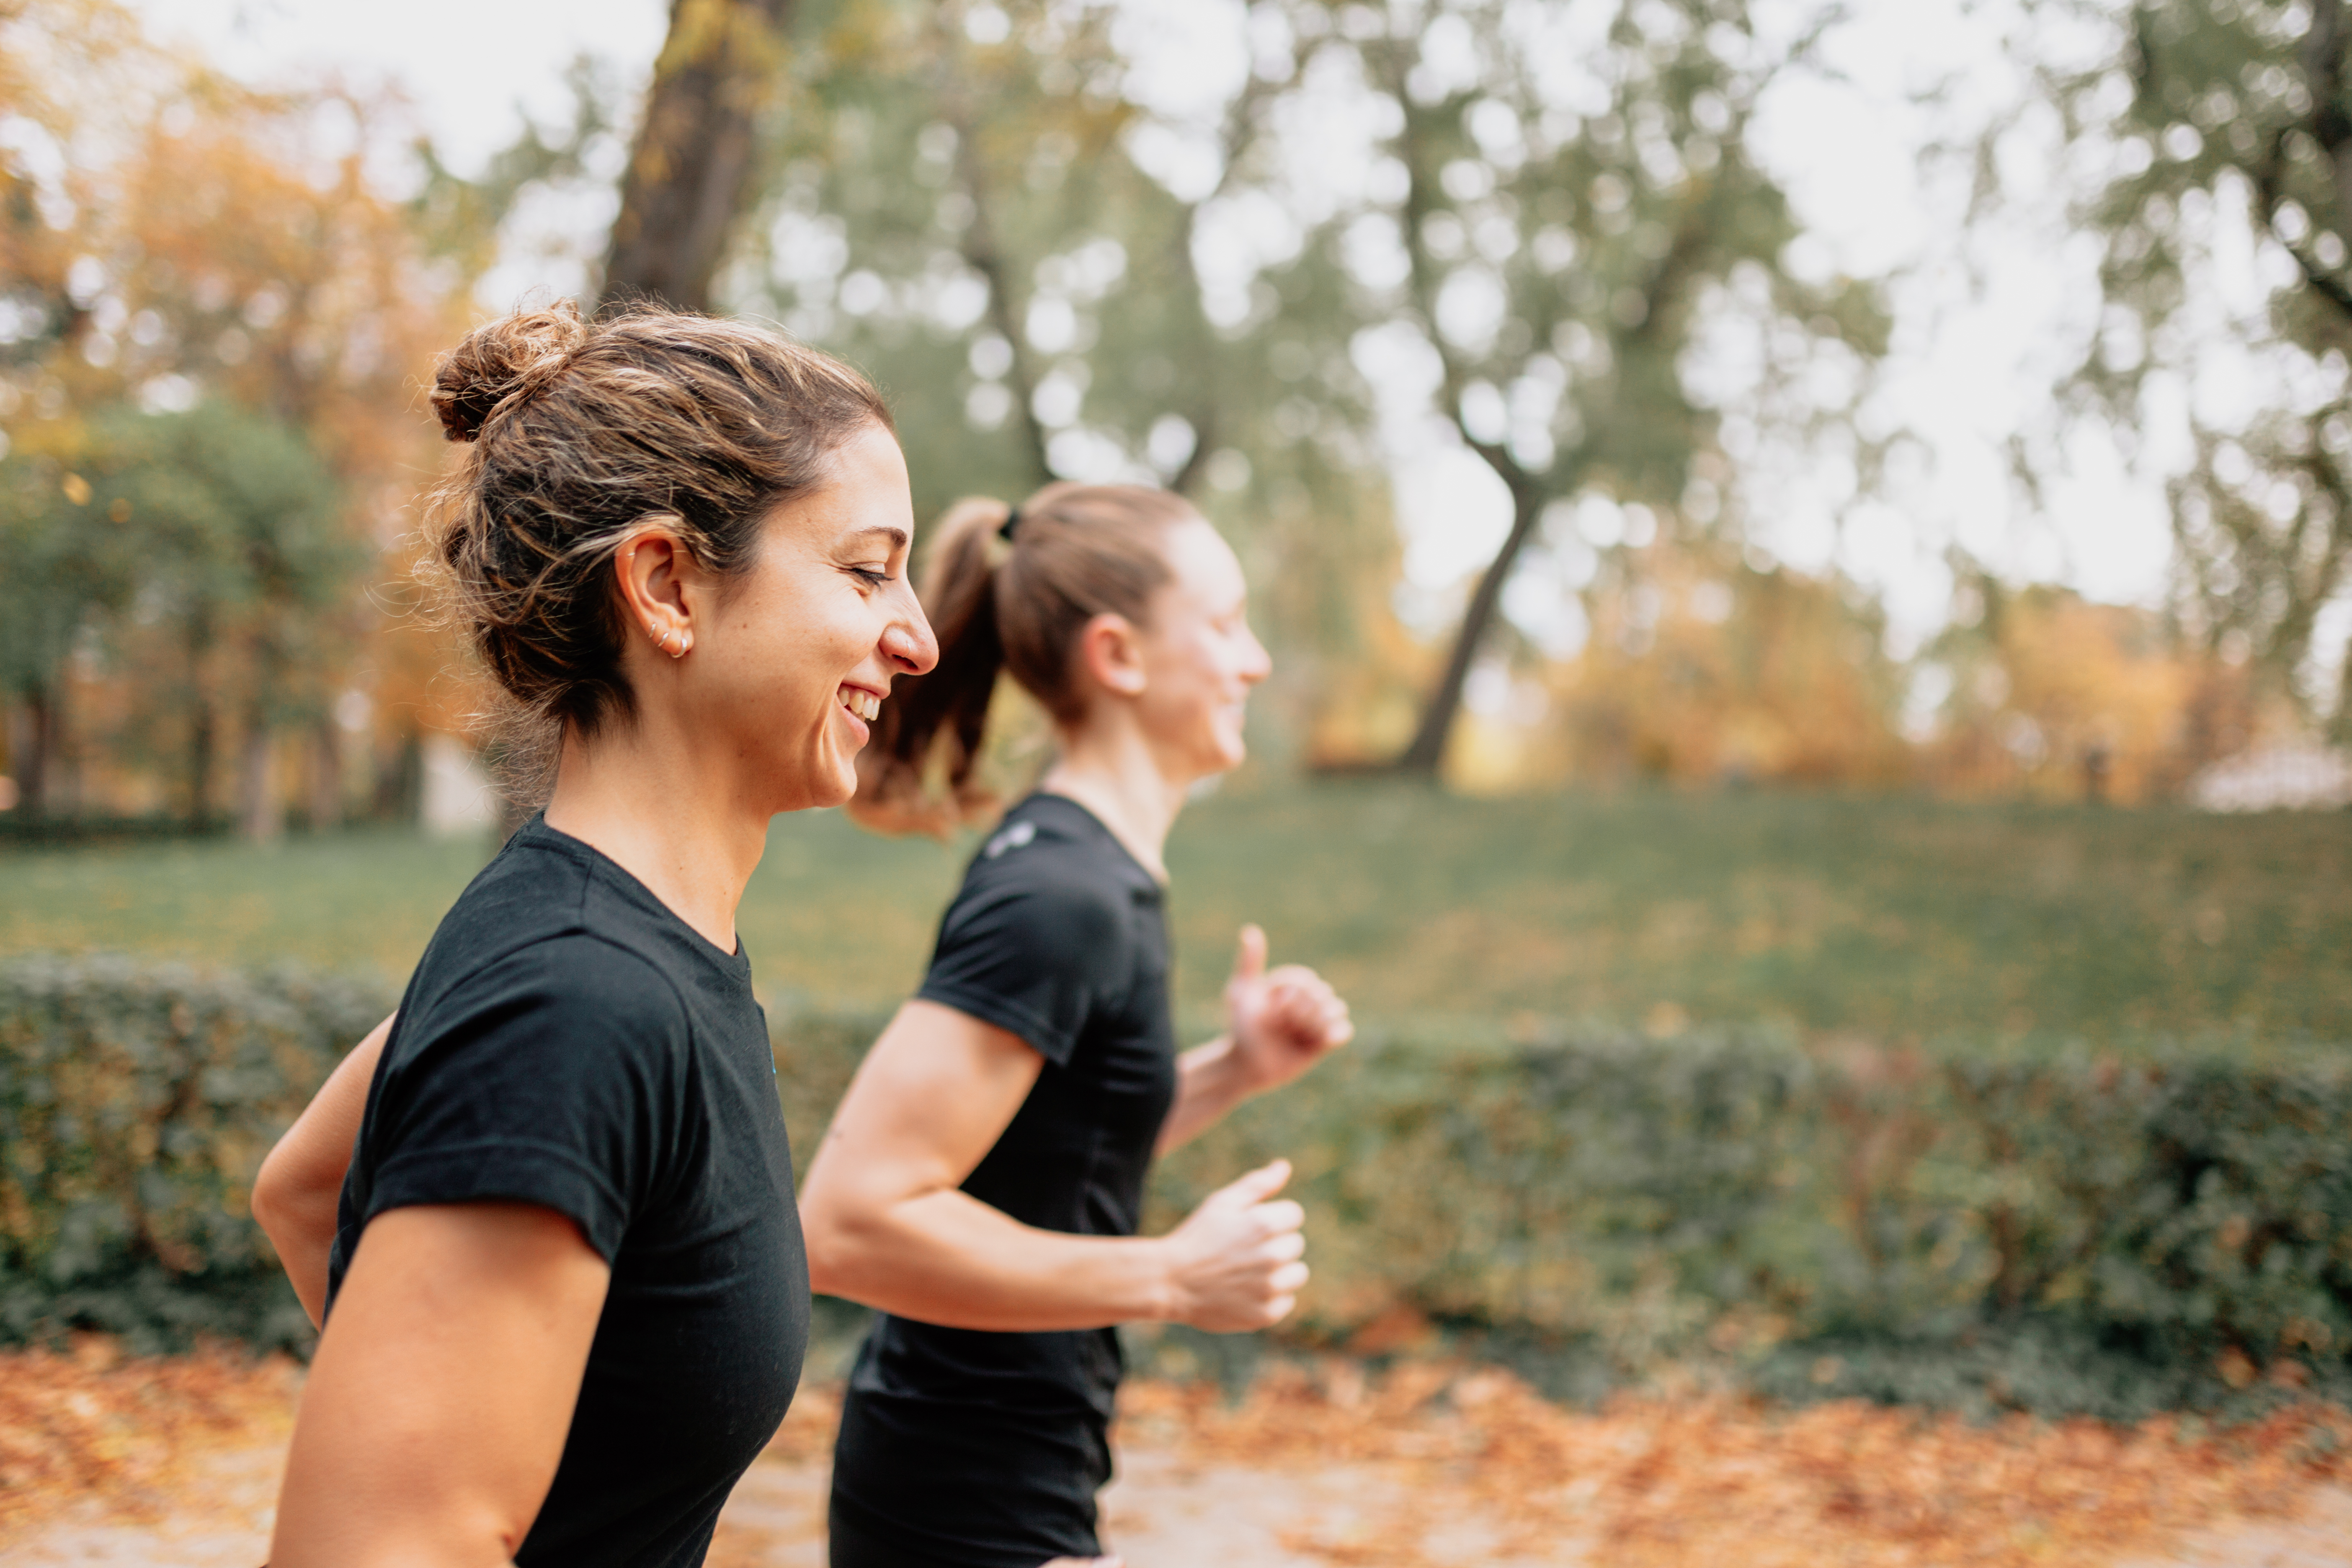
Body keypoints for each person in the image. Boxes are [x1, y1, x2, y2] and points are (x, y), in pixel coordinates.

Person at [251, 299, 937, 1568]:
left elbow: (302, 1187)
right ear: (668, 585)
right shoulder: (578, 1000)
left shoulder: (616, 952)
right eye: (865, 567)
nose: (920, 634)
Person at [799, 482, 1357, 1568]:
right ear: (1121, 656)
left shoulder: (1091, 875)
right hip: (962, 1502)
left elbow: (1046, 1150)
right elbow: (846, 1224)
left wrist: (1233, 1072)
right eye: (1226, 624)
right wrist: (1173, 1277)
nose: (1256, 663)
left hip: (1013, 1478)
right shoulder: (1061, 898)